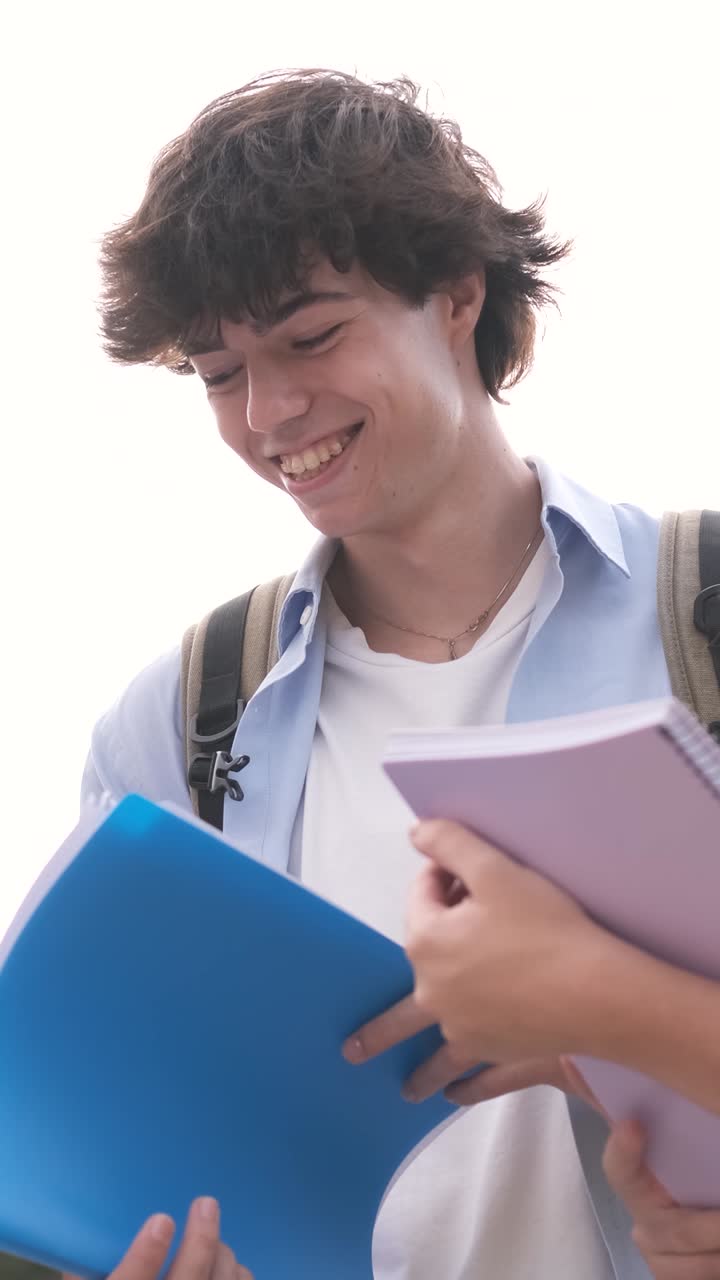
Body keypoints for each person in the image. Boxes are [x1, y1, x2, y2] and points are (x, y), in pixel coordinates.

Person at [81, 69, 720, 1280]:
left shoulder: (707, 616)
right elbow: (133, 1140)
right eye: (219, 372)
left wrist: (604, 999)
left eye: (311, 335)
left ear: (456, 296)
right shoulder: (173, 728)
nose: (269, 410)